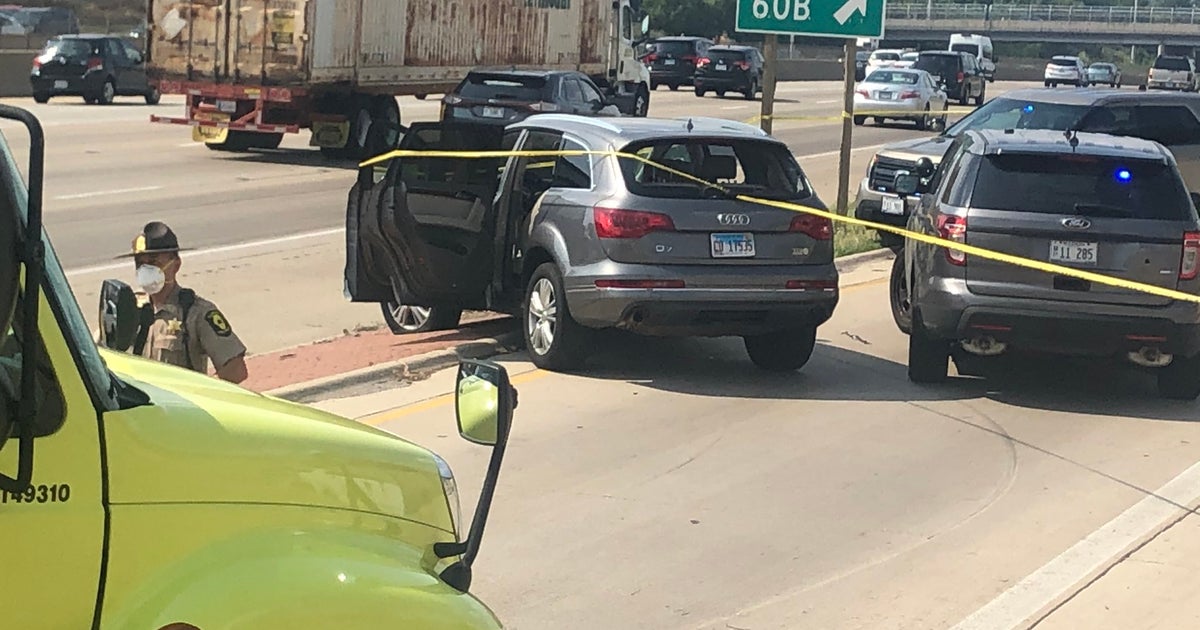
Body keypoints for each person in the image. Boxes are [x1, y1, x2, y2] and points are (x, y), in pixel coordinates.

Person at [118, 221, 248, 383]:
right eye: (140, 263)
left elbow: (236, 370)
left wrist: (201, 392)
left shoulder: (196, 313)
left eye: (154, 262)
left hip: (178, 407)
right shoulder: (127, 310)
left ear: (176, 265)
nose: (145, 269)